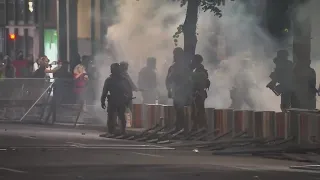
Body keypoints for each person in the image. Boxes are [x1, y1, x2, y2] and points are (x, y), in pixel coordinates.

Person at [101, 63, 132, 135]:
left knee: (120, 117)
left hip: (118, 100)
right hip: (116, 100)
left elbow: (129, 91)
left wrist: (128, 99)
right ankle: (113, 131)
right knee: (114, 117)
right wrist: (102, 101)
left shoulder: (120, 80)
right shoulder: (114, 80)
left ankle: (120, 131)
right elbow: (105, 92)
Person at [166, 47, 192, 131]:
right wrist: (169, 90)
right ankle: (180, 127)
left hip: (181, 92)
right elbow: (168, 80)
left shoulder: (181, 66)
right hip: (178, 92)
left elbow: (188, 79)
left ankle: (180, 127)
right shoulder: (176, 66)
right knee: (179, 110)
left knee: (180, 111)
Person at [190, 54, 210, 131]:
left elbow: (195, 81)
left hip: (198, 94)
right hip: (198, 94)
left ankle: (202, 128)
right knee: (197, 112)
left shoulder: (200, 72)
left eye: (193, 61)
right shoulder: (199, 70)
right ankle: (197, 128)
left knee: (199, 112)